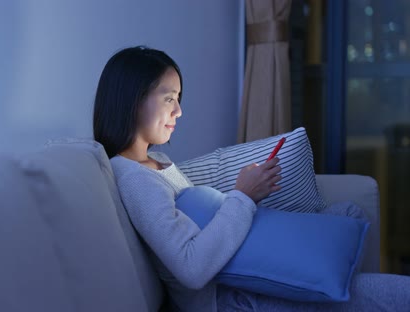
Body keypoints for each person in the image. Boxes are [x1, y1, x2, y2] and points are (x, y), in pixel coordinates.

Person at [93, 46, 410, 311]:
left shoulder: (157, 162)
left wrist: (245, 192)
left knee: (348, 214)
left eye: (178, 98)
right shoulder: (134, 178)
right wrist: (243, 196)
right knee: (392, 293)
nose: (179, 111)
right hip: (229, 298)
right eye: (169, 98)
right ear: (134, 100)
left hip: (236, 272)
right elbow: (191, 267)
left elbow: (198, 219)